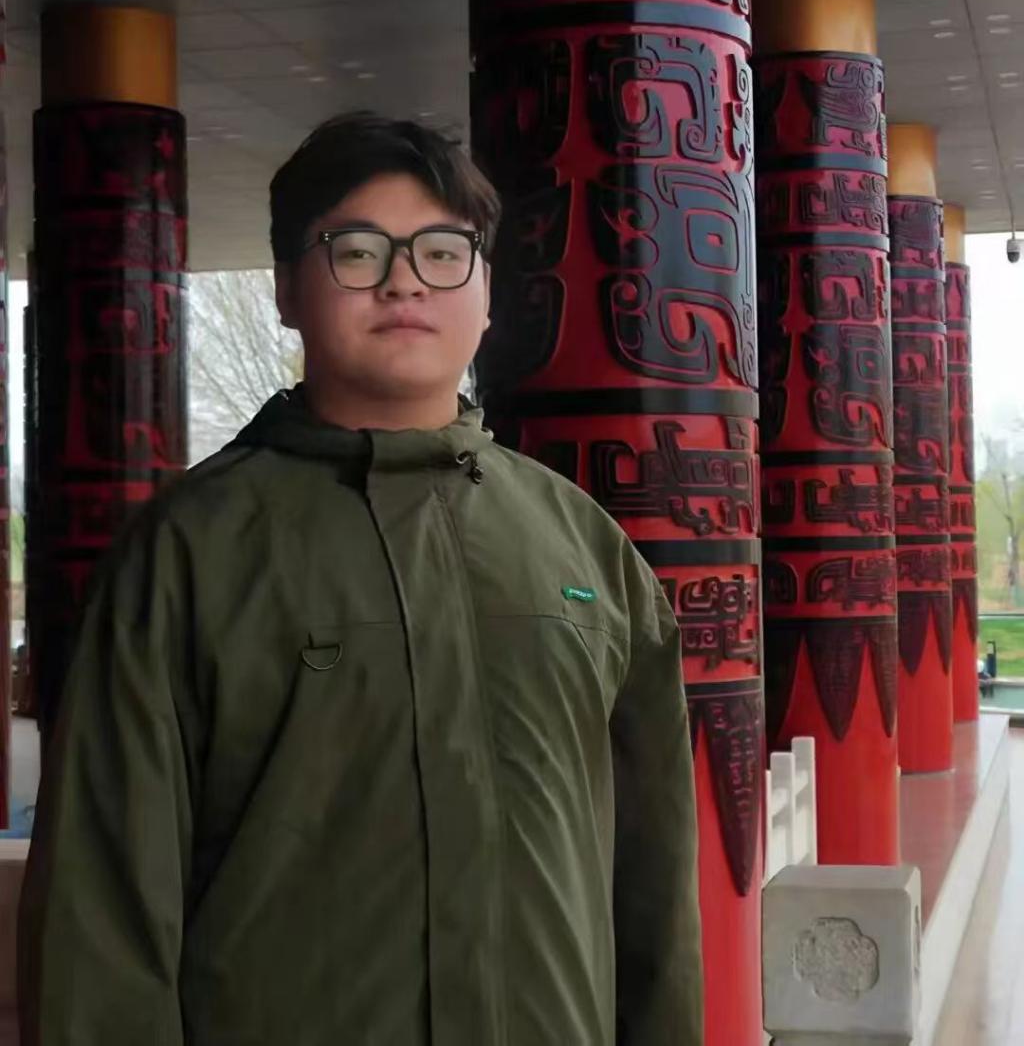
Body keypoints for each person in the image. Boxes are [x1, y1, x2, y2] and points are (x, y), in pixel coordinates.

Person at [19, 112, 703, 1045]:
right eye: (357, 250)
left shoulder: (583, 548)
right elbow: (101, 922)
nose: (404, 280)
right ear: (286, 290)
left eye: (443, 251)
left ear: (487, 293)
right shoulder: (187, 555)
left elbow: (655, 893)